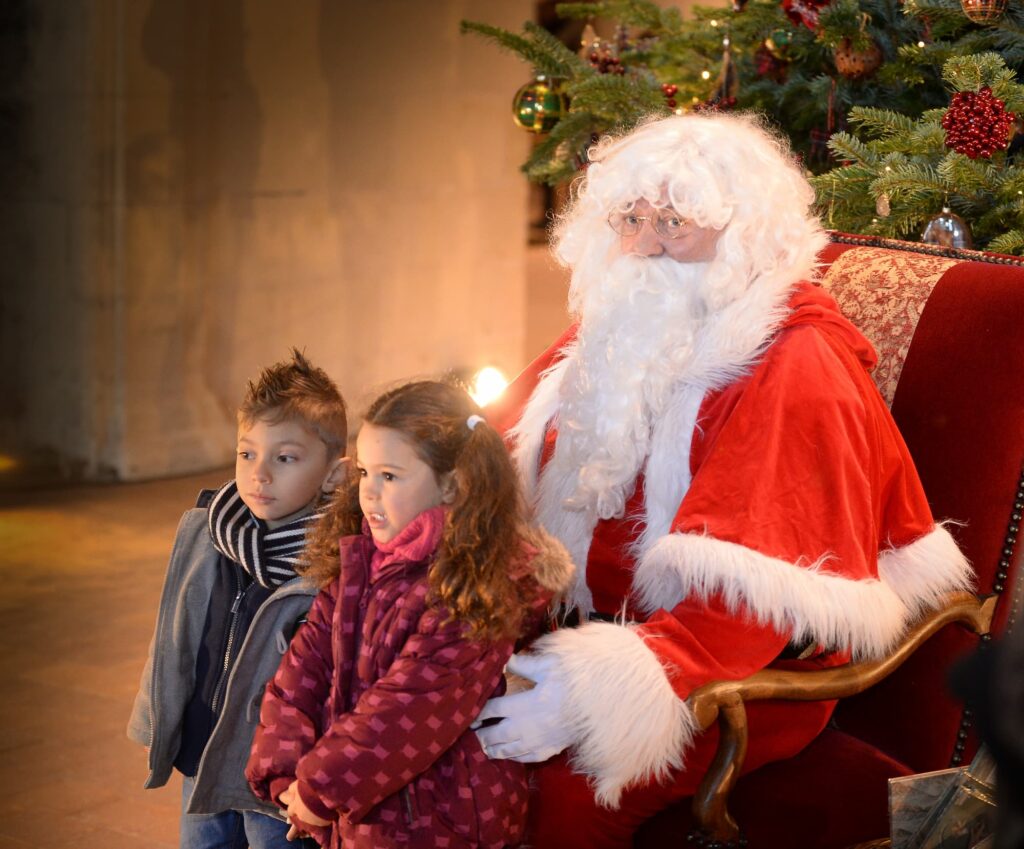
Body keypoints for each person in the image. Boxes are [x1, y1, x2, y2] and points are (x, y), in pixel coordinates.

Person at [474, 111, 975, 848]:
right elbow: (488, 454)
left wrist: (590, 693)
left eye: (674, 221)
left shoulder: (794, 362)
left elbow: (748, 606)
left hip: (731, 675)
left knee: (553, 797)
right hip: (581, 627)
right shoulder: (619, 324)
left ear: (740, 235)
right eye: (630, 217)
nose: (644, 243)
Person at [244, 380, 573, 849]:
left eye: (390, 476)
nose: (369, 492)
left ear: (453, 484)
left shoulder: (478, 587)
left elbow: (408, 709)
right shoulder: (364, 563)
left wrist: (317, 790)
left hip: (441, 819)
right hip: (361, 808)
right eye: (363, 472)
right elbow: (303, 669)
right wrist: (284, 771)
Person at [128, 349, 348, 849]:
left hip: (278, 777)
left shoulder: (334, 564)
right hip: (202, 752)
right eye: (247, 453)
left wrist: (320, 777)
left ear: (335, 474)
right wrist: (155, 718)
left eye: (284, 458)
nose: (259, 474)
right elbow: (173, 635)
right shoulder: (209, 533)